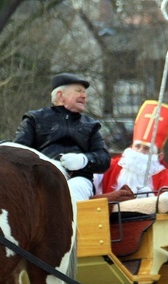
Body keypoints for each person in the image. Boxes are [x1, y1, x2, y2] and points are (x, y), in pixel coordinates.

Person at [14, 72, 110, 201]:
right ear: (60, 95)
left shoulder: (91, 125)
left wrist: (83, 160)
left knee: (73, 190)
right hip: (42, 179)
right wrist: (45, 165)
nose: (84, 96)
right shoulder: (35, 119)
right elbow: (18, 152)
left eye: (85, 93)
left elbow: (104, 158)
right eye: (78, 91)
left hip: (78, 179)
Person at [95, 101, 168, 196]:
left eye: (147, 149)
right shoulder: (111, 166)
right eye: (137, 146)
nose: (140, 152)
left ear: (160, 156)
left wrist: (150, 198)